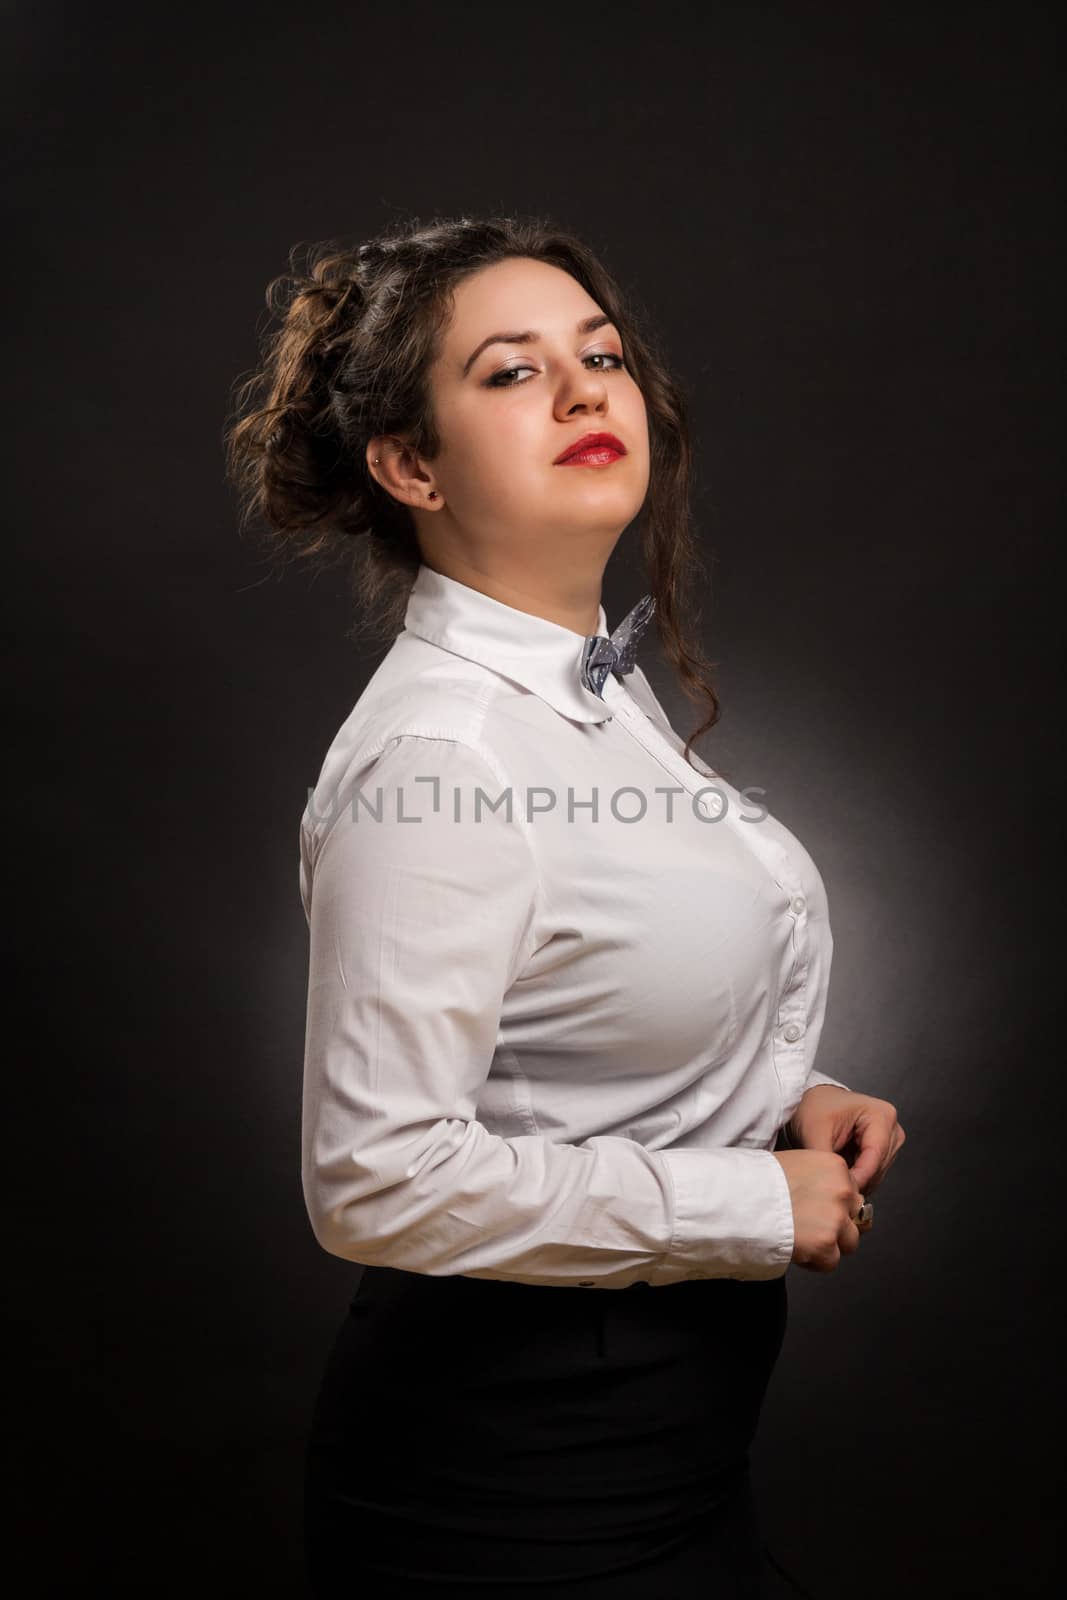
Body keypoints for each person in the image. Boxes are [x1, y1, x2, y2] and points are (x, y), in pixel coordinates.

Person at [224, 214, 906, 1597]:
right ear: (411, 465)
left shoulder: (585, 692)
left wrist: (775, 1095)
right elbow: (378, 1176)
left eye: (600, 353)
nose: (588, 388)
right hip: (512, 1486)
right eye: (510, 371)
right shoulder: (442, 752)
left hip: (666, 1453)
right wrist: (747, 1202)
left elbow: (567, 1004)